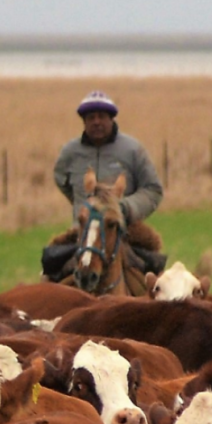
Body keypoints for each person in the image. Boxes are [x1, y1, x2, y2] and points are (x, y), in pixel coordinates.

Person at [40, 92, 164, 284]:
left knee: (155, 282)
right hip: (82, 235)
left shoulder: (133, 150)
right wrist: (83, 206)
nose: (96, 122)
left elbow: (153, 189)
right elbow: (62, 181)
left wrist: (124, 208)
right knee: (49, 273)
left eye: (102, 117)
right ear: (84, 122)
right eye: (91, 118)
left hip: (123, 234)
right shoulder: (70, 153)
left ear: (111, 119)